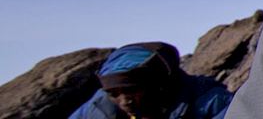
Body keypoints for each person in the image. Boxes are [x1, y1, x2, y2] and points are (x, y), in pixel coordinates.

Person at [69, 42, 231, 119]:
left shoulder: (211, 102)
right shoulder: (100, 107)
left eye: (131, 90)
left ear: (158, 84)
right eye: (113, 94)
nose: (125, 101)